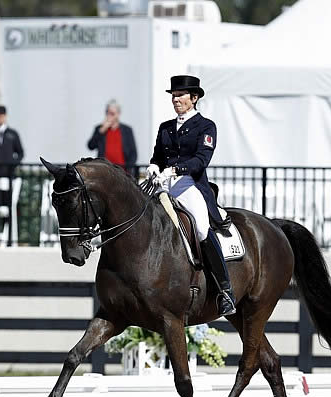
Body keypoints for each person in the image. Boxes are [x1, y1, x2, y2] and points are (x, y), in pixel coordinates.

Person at [146, 75, 236, 316]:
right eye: (173, 96)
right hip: (163, 182)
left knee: (201, 229)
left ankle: (225, 290)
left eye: (180, 96)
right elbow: (157, 156)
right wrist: (154, 166)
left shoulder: (206, 126)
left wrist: (175, 170)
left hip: (189, 183)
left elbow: (201, 161)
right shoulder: (165, 127)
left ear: (193, 98)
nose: (175, 100)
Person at [87, 100, 137, 173]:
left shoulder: (127, 130)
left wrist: (128, 169)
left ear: (118, 114)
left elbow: (133, 153)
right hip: (105, 172)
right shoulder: (99, 129)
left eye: (112, 113)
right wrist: (101, 131)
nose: (109, 116)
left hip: (122, 172)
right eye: (107, 113)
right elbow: (91, 146)